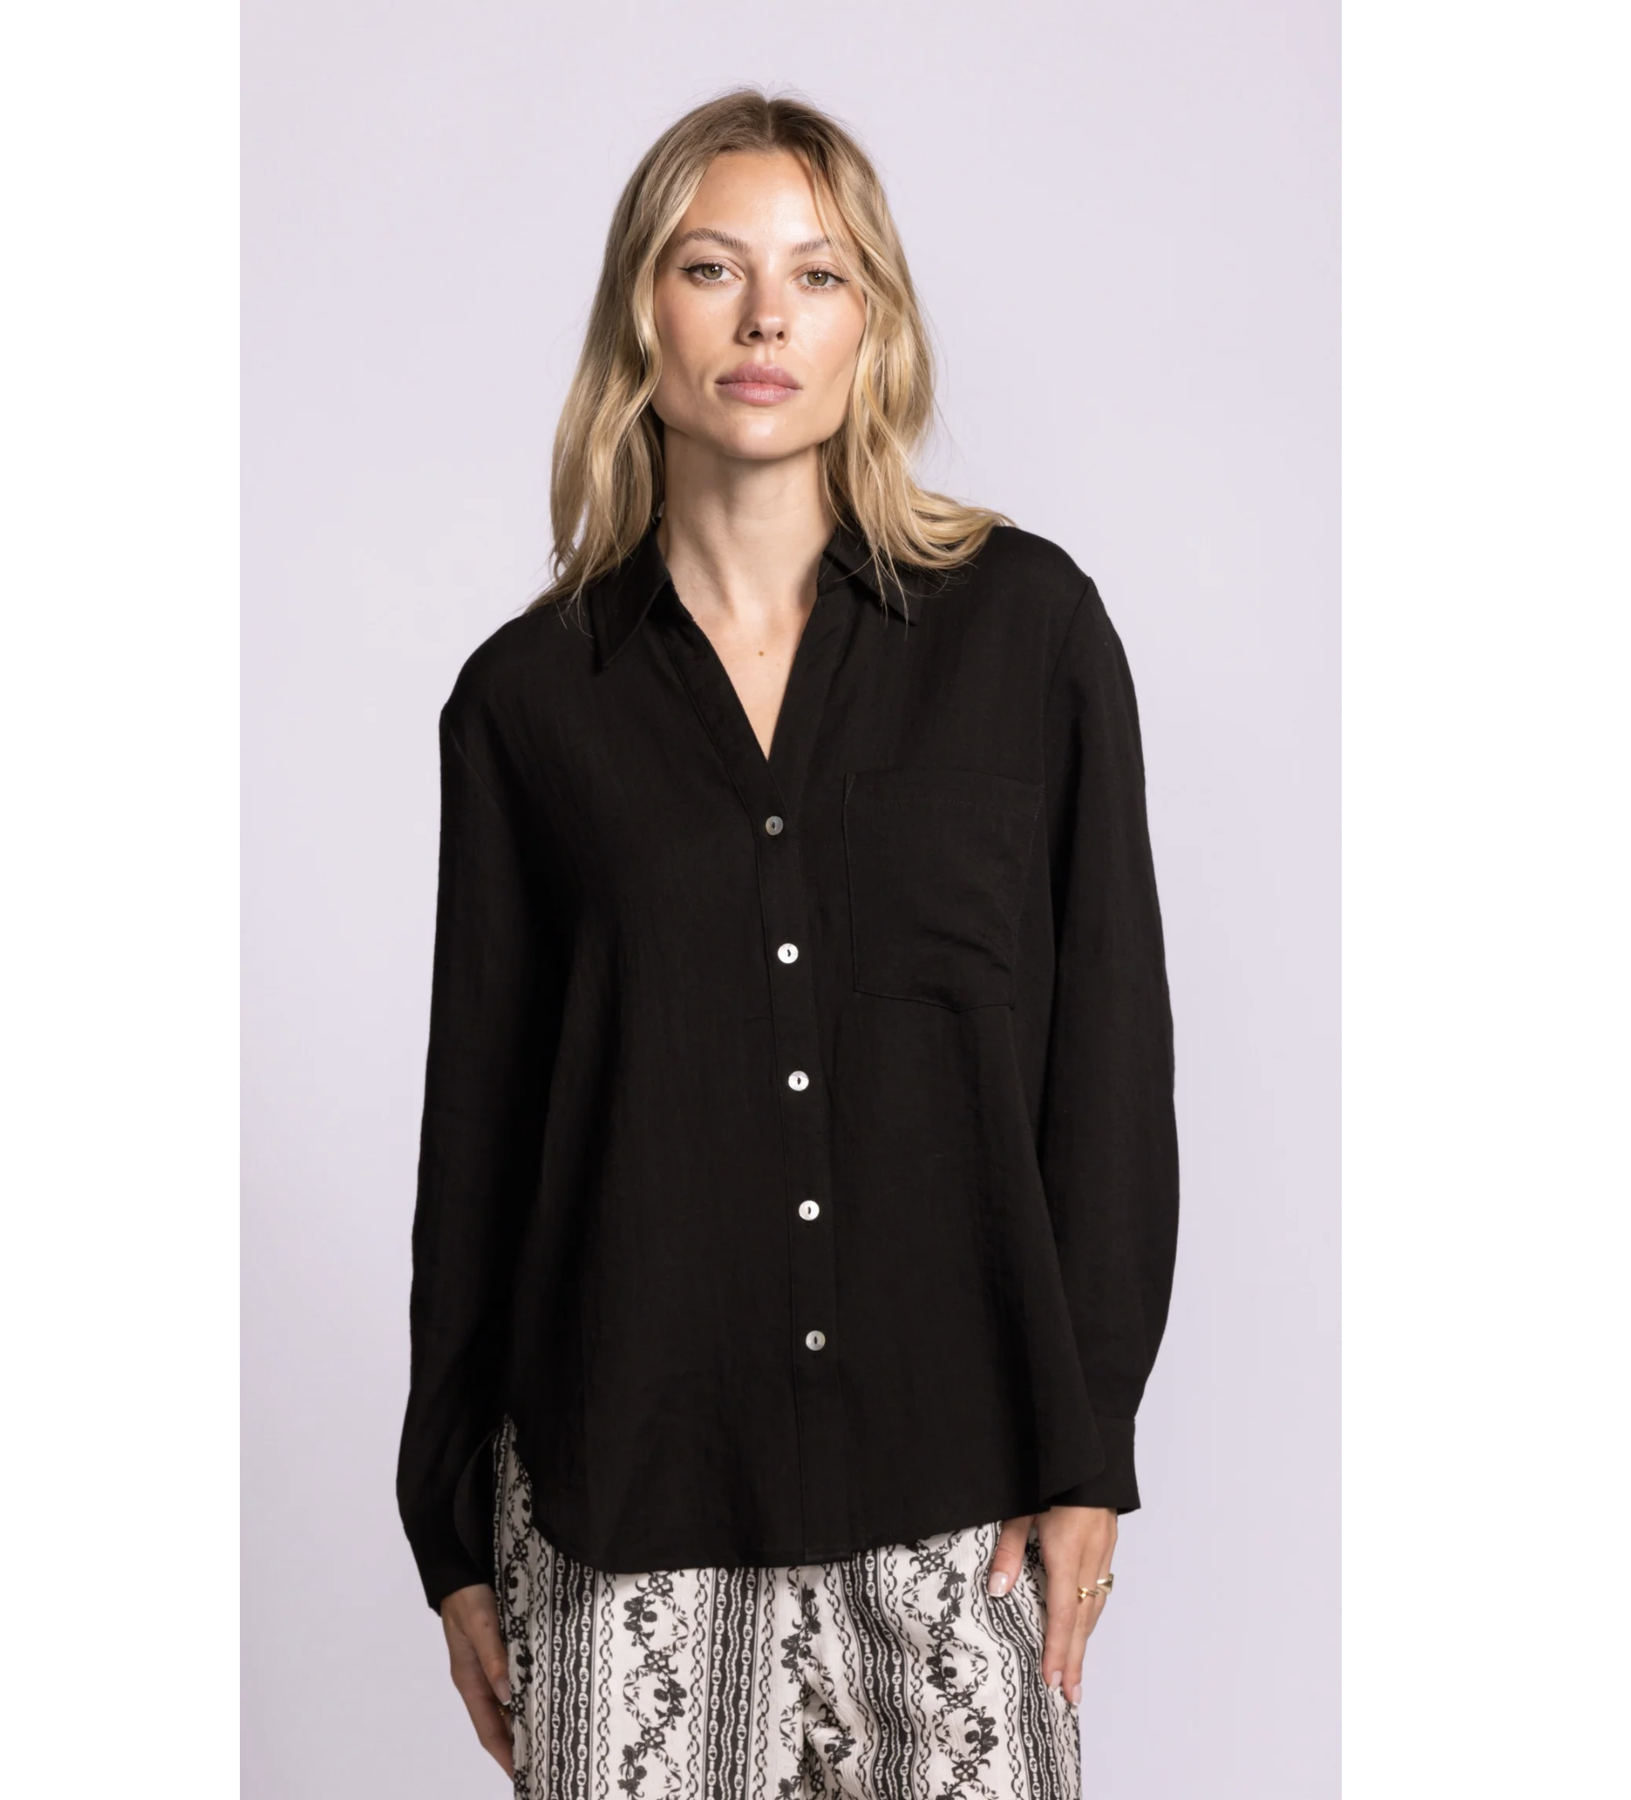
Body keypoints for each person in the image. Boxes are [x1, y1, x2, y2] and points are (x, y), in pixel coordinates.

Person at [395, 89, 1178, 1798]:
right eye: (713, 268)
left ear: (869, 321)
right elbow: (482, 1136)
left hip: (961, 1504)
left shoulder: (1029, 636)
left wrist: (1091, 1449)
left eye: (817, 274)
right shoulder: (526, 707)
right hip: (620, 1525)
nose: (766, 318)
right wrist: (451, 1528)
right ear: (642, 312)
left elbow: (1107, 1066)